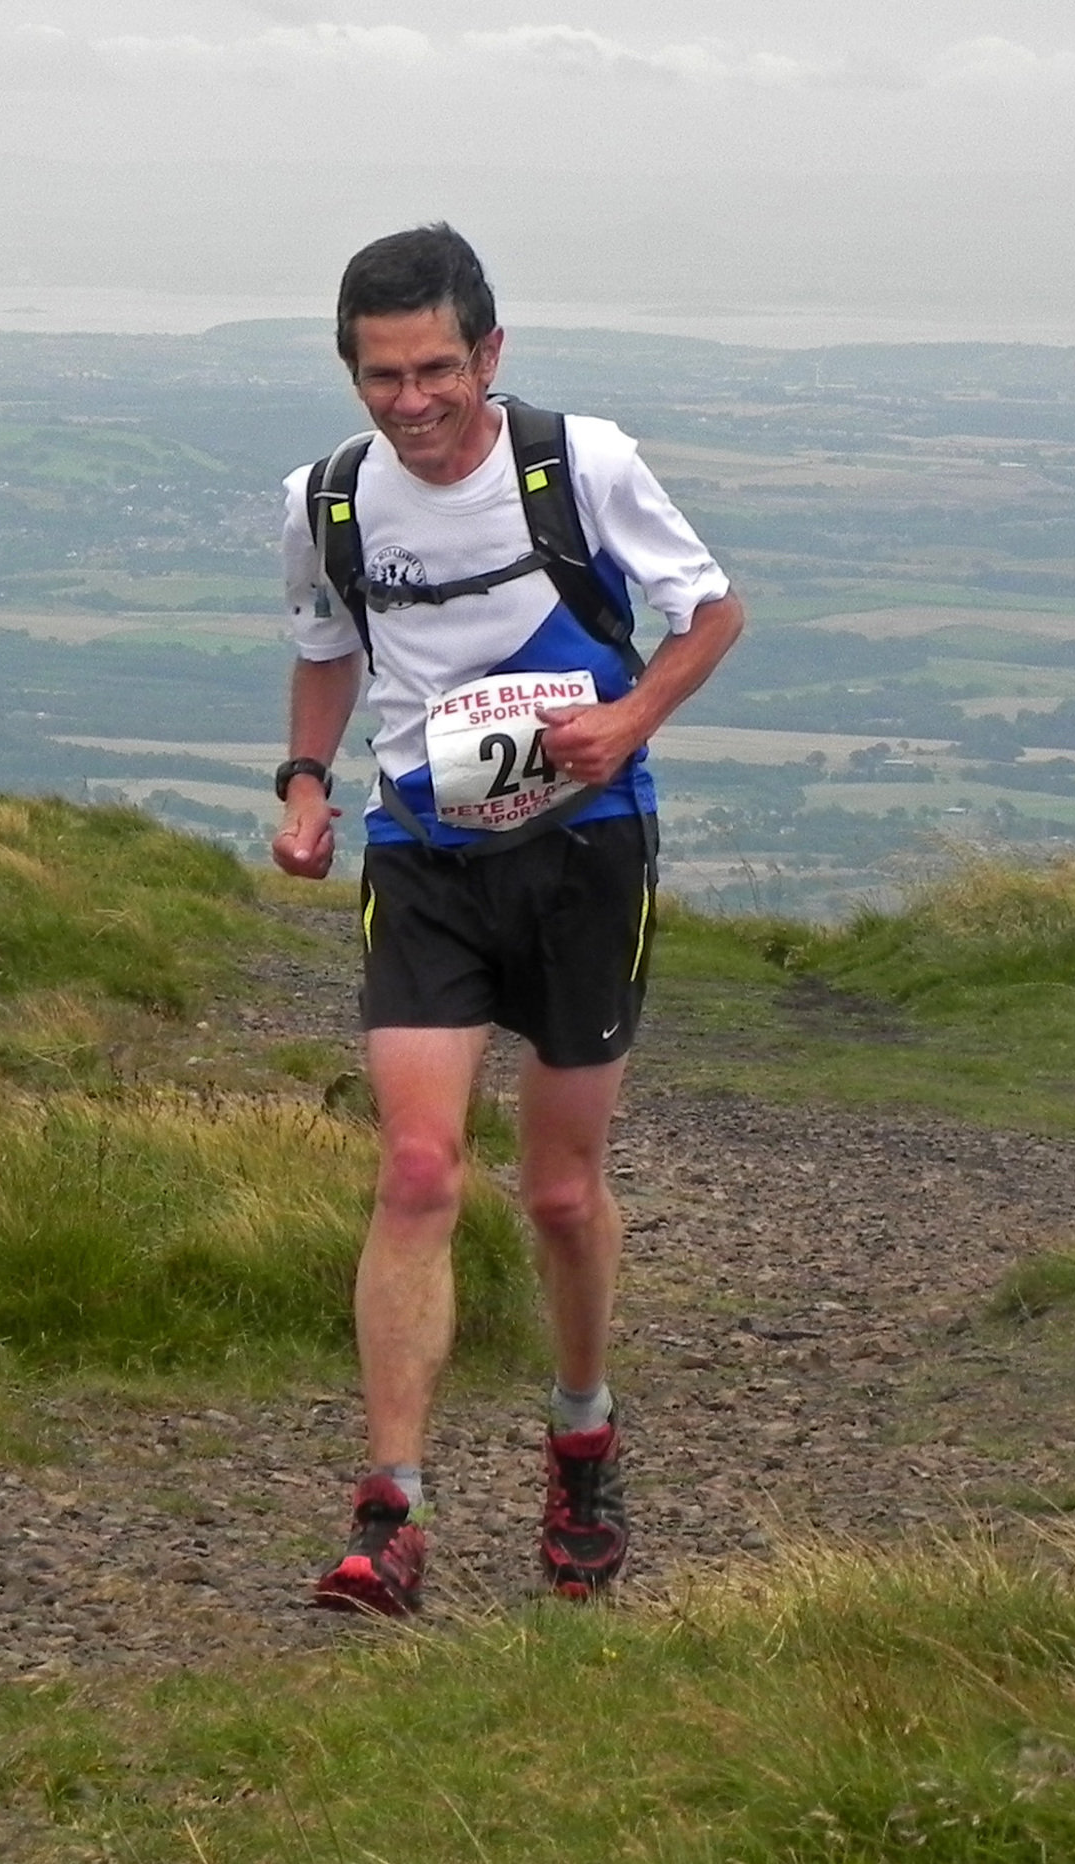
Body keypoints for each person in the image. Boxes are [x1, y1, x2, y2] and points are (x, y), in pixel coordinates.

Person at [273, 224, 744, 1614]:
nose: (411, 404)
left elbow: (709, 612)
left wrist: (630, 717)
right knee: (418, 1170)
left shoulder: (577, 462)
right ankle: (390, 1514)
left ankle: (582, 1440)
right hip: (423, 851)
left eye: (435, 371)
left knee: (553, 1189)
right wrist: (306, 784)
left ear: (488, 351)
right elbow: (324, 645)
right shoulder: (327, 499)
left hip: (584, 849)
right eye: (379, 378)